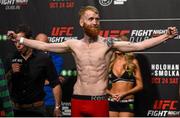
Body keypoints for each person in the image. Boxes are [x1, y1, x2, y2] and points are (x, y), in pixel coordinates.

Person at [7, 6, 178, 117]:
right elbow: (43, 45)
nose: (95, 22)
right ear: (82, 22)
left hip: (98, 100)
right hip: (77, 99)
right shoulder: (73, 44)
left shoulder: (108, 43)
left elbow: (139, 45)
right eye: (91, 19)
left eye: (97, 19)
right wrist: (20, 40)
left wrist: (166, 35)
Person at [9, 24, 62, 117]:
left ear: (29, 40)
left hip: (37, 110)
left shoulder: (43, 58)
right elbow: (3, 83)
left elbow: (55, 84)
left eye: (20, 41)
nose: (18, 45)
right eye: (15, 42)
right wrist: (10, 72)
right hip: (16, 110)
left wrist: (57, 107)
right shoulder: (11, 57)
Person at [106, 36, 143, 117]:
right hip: (111, 101)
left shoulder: (133, 62)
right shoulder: (109, 62)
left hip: (127, 102)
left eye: (120, 44)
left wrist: (124, 93)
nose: (118, 47)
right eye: (117, 44)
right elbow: (100, 85)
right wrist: (111, 94)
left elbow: (140, 86)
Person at [35, 33, 64, 116]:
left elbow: (52, 79)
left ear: (48, 44)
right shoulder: (30, 59)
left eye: (44, 44)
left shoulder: (57, 59)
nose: (41, 47)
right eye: (38, 45)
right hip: (34, 103)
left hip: (51, 102)